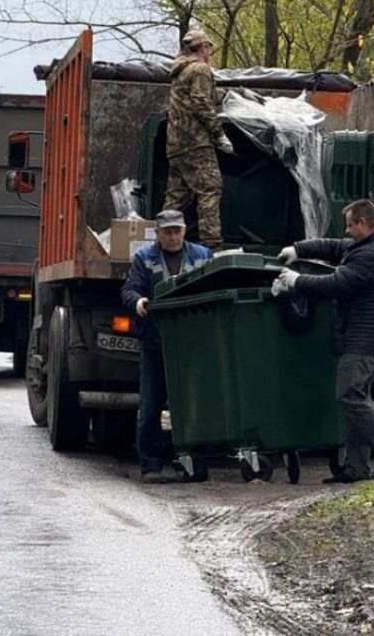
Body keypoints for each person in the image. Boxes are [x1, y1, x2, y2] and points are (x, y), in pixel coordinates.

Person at [275, 199, 374, 483]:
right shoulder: (365, 245)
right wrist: (298, 249)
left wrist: (296, 281)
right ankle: (357, 468)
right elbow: (333, 246)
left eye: (350, 225)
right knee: (357, 398)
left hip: (366, 338)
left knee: (349, 395)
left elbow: (336, 284)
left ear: (363, 223)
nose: (346, 231)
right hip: (360, 334)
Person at [120, 209, 213, 483]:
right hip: (155, 343)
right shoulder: (144, 258)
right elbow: (129, 290)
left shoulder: (201, 256)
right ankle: (151, 466)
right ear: (158, 234)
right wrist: (138, 302)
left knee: (192, 407)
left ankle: (192, 464)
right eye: (167, 232)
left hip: (191, 346)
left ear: (184, 231)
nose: (173, 236)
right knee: (150, 406)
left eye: (177, 230)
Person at [163, 29, 233, 250]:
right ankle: (211, 246)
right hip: (196, 142)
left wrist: (229, 95)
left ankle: (162, 240)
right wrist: (219, 134)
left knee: (176, 197)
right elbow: (200, 103)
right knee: (210, 188)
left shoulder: (180, 71)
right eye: (209, 49)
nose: (210, 54)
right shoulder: (200, 69)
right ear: (203, 48)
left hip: (176, 144)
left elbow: (200, 96)